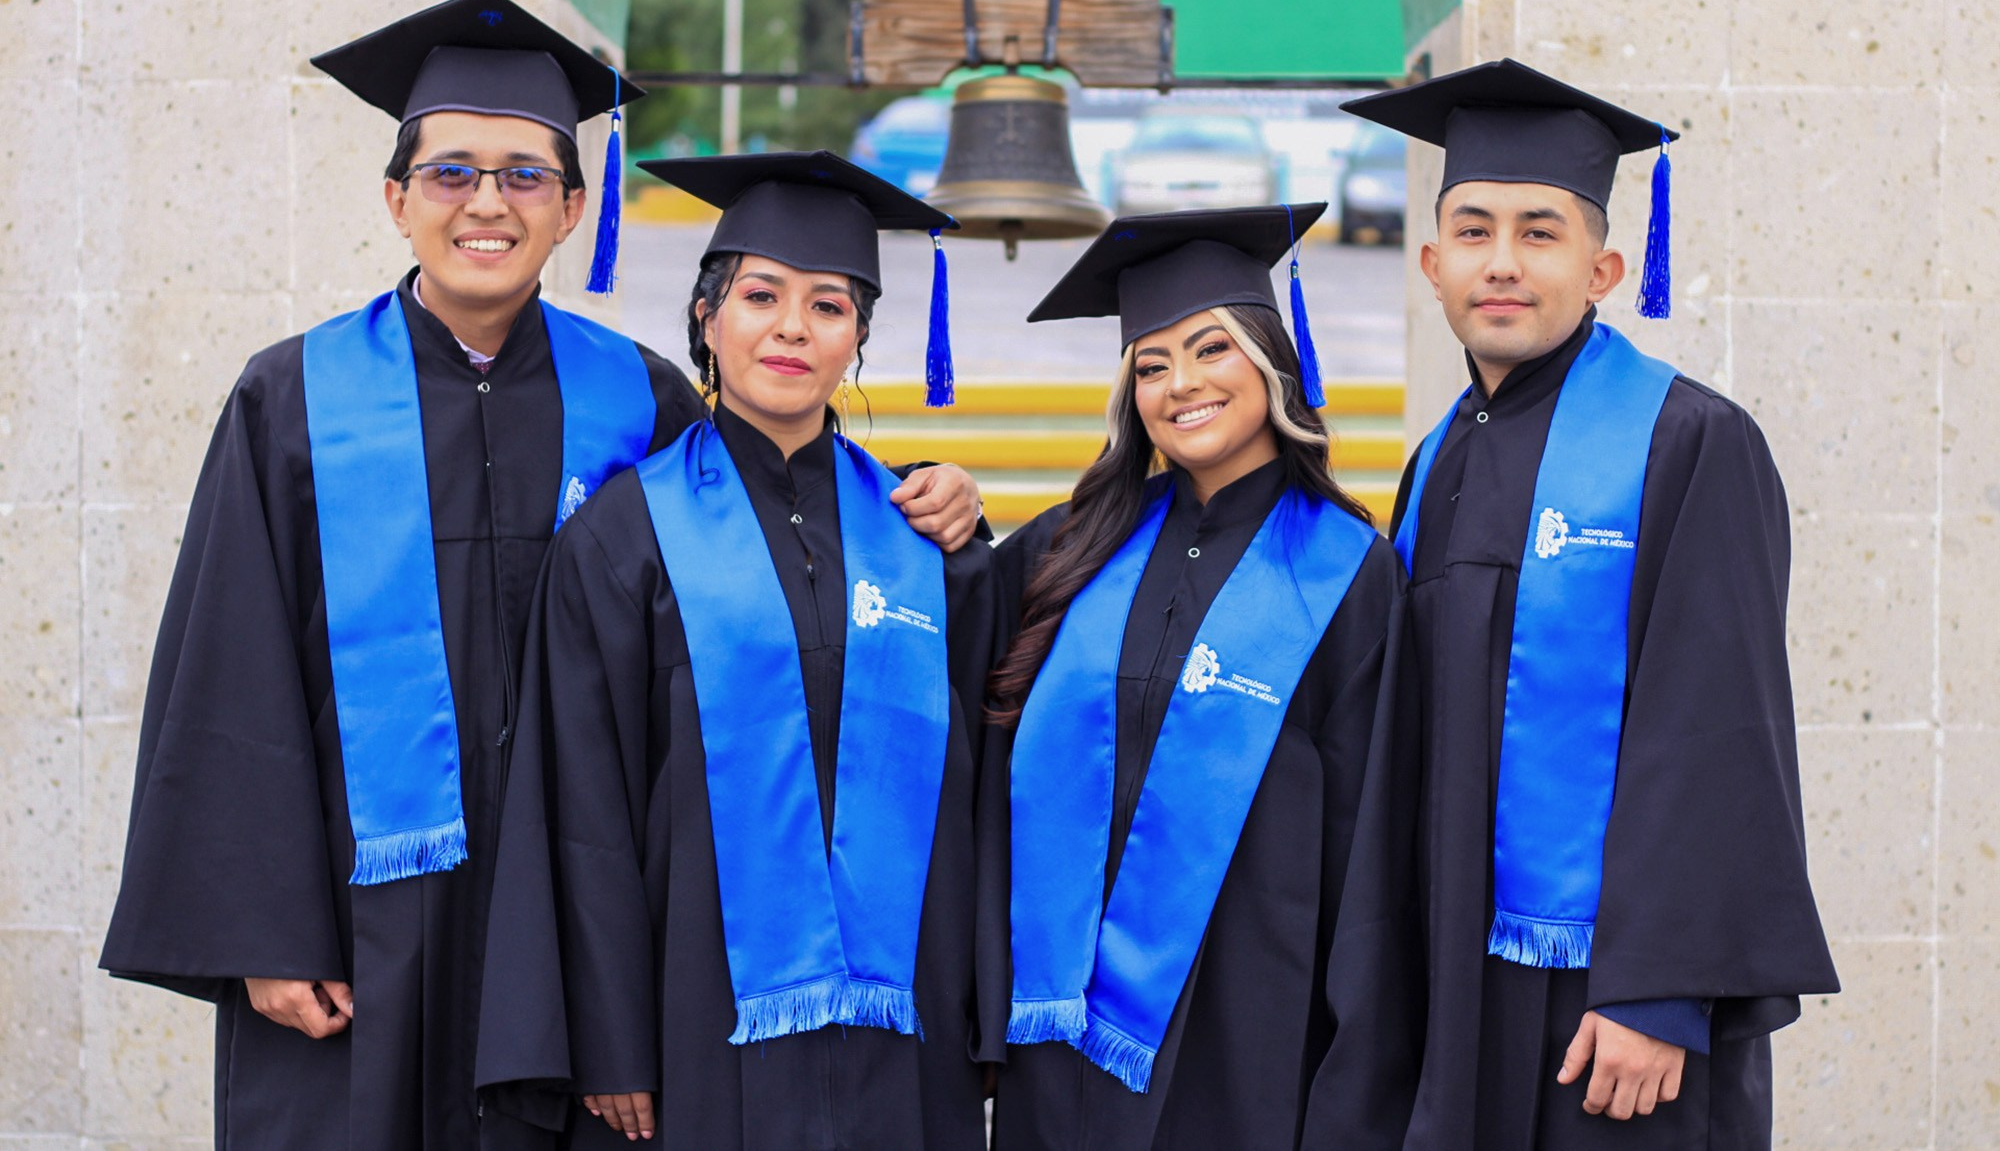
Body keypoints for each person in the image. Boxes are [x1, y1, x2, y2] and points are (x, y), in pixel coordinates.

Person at [97, 0, 982, 1151]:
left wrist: (927, 494)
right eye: (451, 172)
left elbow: (773, 537)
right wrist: (266, 931)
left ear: (570, 208)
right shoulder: (293, 398)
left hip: (572, 924)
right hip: (363, 922)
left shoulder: (637, 398)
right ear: (396, 199)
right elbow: (230, 671)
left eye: (524, 176)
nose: (487, 203)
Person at [1343, 60, 1839, 1149]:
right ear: (1432, 265)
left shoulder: (1688, 439)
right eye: (1472, 231)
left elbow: (1717, 726)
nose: (1502, 262)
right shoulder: (1433, 463)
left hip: (1611, 994)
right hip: (1458, 972)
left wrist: (1658, 991)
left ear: (1602, 268)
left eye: (1540, 232)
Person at [475, 152, 999, 1149]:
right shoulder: (626, 536)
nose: (792, 328)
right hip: (695, 1022)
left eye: (829, 306)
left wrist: (978, 1011)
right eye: (761, 296)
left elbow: (977, 795)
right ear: (707, 318)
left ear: (858, 337)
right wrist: (612, 1041)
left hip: (904, 1019)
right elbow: (583, 806)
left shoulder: (927, 544)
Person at [982, 205, 1422, 1150]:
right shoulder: (1073, 547)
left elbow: (1374, 852)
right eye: (1151, 365)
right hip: (1057, 1045)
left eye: (1211, 348)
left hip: (1249, 1038)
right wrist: (930, 481)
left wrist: (1354, 1082)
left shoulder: (1348, 576)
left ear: (1269, 360)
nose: (1181, 384)